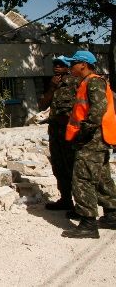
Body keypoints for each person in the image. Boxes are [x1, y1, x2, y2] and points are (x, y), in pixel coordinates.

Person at [60, 50, 116, 238]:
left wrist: (83, 132)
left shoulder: (93, 81)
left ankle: (88, 223)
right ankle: (112, 214)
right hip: (98, 139)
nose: (71, 66)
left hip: (91, 139)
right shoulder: (88, 82)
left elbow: (97, 110)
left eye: (73, 63)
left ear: (83, 64)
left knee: (82, 179)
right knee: (101, 178)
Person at [38, 56, 79, 211]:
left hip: (71, 133)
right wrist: (52, 88)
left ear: (68, 68)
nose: (57, 68)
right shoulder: (53, 84)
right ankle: (65, 199)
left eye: (61, 65)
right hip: (55, 133)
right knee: (58, 166)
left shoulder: (76, 83)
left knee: (73, 167)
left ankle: (81, 204)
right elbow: (42, 106)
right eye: (55, 65)